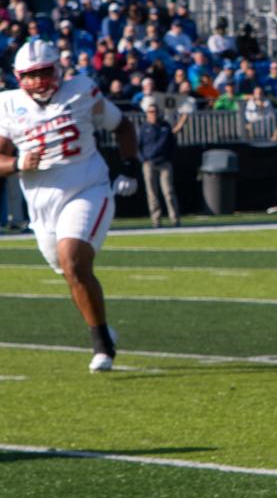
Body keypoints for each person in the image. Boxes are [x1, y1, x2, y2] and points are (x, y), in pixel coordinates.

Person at [0, 41, 140, 372]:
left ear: (58, 70)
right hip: (41, 202)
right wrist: (18, 163)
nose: (38, 81)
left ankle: (101, 346)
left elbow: (122, 125)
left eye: (45, 72)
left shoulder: (81, 91)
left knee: (74, 260)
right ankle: (105, 329)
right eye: (31, 76)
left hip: (87, 186)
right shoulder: (7, 104)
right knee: (70, 272)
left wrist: (130, 164)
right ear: (20, 77)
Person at [138, 104, 180, 228]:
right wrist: (143, 160)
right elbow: (138, 146)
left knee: (168, 191)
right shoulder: (143, 127)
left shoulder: (165, 126)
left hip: (164, 163)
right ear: (147, 113)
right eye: (151, 112)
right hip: (149, 163)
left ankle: (175, 219)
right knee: (152, 193)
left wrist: (169, 159)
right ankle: (156, 220)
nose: (153, 114)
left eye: (155, 111)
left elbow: (172, 144)